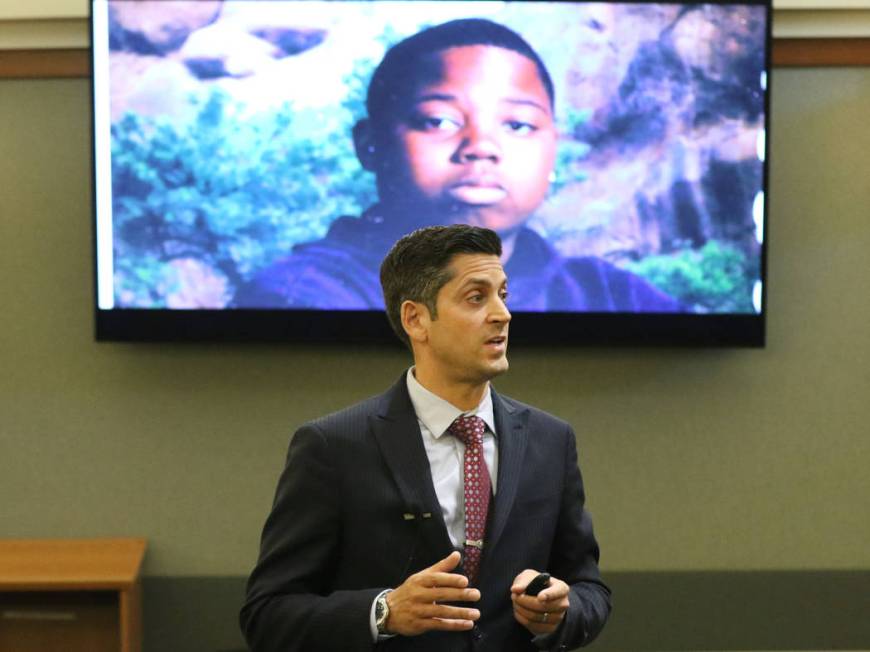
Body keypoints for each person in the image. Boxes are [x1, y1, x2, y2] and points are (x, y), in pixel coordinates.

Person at [240, 224, 611, 652]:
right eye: (476, 297)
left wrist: (559, 611)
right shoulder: (333, 446)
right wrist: (385, 612)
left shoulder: (551, 440)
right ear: (416, 319)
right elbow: (266, 615)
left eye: (503, 295)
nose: (502, 314)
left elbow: (590, 590)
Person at [233, 18, 682, 312]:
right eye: (439, 121)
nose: (481, 147)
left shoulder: (610, 297)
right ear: (370, 146)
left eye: (519, 125)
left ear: (554, 148)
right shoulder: (302, 297)